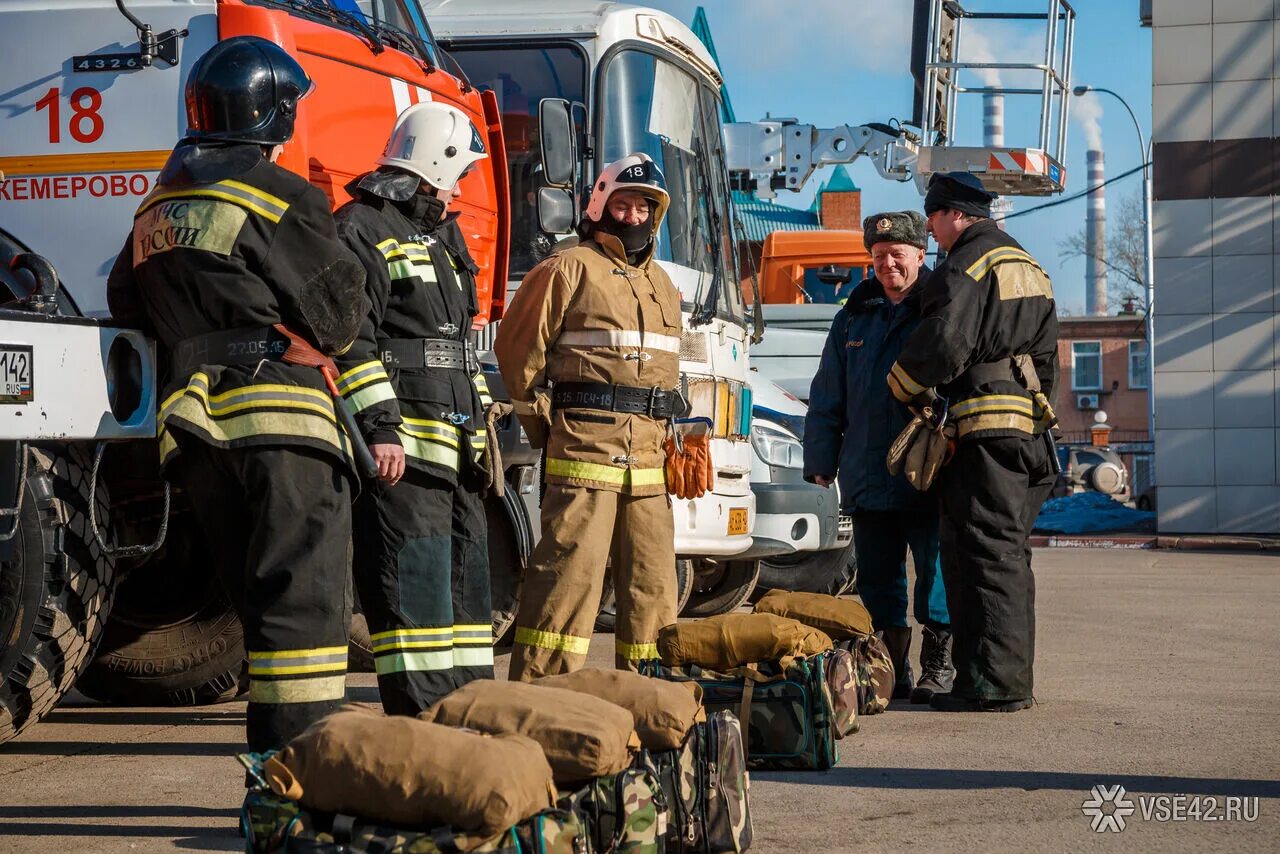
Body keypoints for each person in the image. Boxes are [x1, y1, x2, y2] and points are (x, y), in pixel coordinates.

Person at [106, 36, 367, 752]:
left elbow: (125, 306)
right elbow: (340, 319)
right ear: (274, 114)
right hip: (283, 420)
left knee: (261, 614)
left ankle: (270, 772)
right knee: (306, 611)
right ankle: (302, 778)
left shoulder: (153, 207)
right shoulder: (279, 193)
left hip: (193, 436)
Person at [332, 102, 494, 714]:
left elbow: (457, 346)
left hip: (457, 448)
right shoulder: (361, 228)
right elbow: (351, 341)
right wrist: (380, 429)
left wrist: (480, 432)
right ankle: (423, 721)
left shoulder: (442, 234)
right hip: (406, 449)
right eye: (460, 172)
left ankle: (471, 714)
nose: (463, 187)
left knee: (467, 589)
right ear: (434, 163)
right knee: (415, 585)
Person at [495, 153, 683, 681]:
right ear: (600, 205)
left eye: (644, 207)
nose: (633, 216)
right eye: (622, 204)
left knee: (653, 586)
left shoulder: (663, 285)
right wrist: (549, 429)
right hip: (584, 455)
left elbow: (666, 372)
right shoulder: (567, 267)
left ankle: (648, 693)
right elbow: (518, 356)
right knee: (568, 581)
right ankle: (543, 695)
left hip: (649, 464)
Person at [887, 172, 1059, 713]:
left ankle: (990, 686)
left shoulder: (969, 262)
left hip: (981, 433)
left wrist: (901, 384)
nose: (933, 234)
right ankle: (1008, 678)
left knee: (978, 553)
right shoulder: (1031, 267)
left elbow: (946, 341)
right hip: (1028, 434)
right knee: (1008, 553)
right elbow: (1047, 360)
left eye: (934, 221)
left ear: (953, 214)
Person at [804, 211, 954, 704]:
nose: (887, 264)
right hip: (868, 473)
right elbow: (829, 395)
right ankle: (893, 669)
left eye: (897, 254)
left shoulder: (942, 306)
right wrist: (821, 460)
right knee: (877, 580)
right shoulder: (853, 316)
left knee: (934, 575)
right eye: (878, 256)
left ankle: (939, 663)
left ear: (919, 254)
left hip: (926, 471)